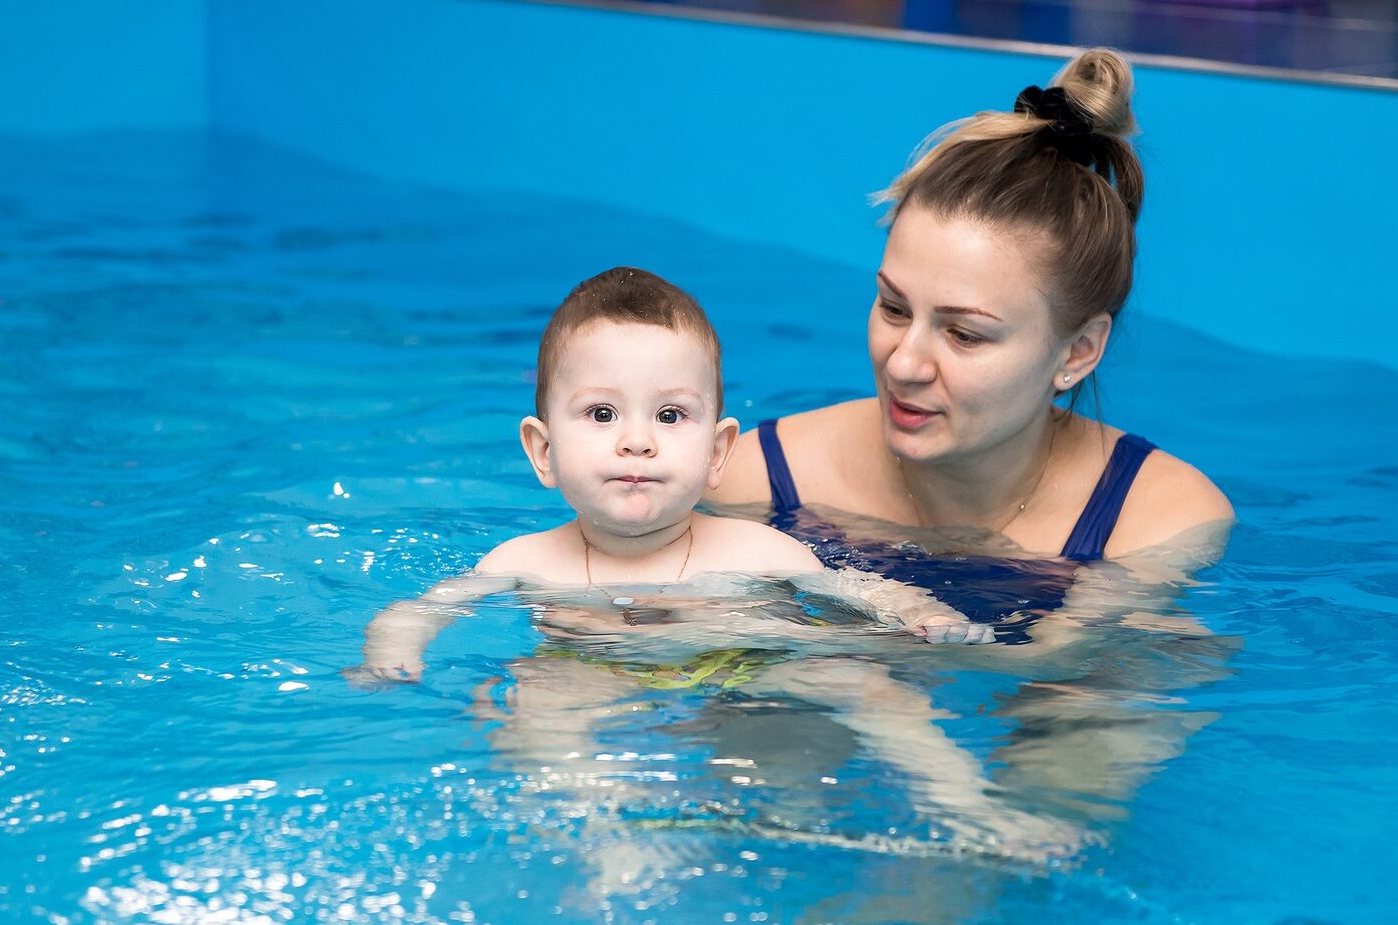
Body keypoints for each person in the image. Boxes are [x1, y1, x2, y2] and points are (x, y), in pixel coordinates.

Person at [709, 48, 1233, 629]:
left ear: (1077, 351)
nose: (904, 364)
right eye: (893, 307)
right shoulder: (757, 480)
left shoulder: (1151, 523)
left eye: (964, 334)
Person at [357, 266, 988, 681]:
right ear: (542, 451)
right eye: (602, 413)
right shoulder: (522, 561)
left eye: (670, 415)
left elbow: (861, 591)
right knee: (542, 705)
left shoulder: (760, 548)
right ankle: (605, 840)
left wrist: (917, 613)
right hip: (586, 669)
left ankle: (956, 794)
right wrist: (393, 654)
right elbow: (416, 610)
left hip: (746, 665)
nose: (637, 441)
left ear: (718, 453)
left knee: (862, 685)